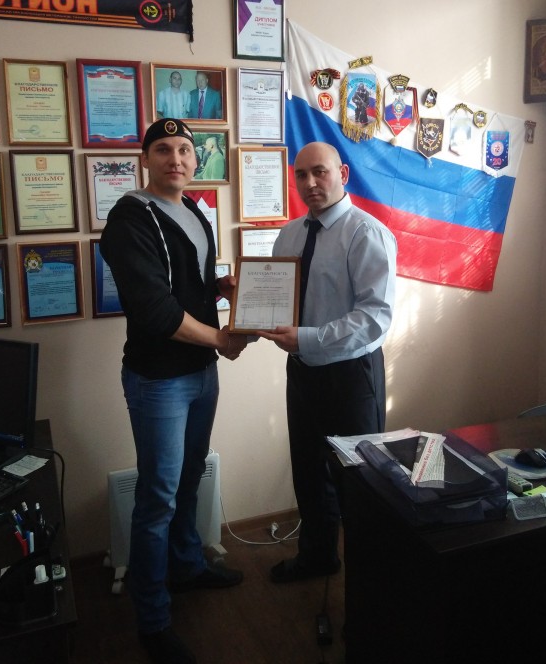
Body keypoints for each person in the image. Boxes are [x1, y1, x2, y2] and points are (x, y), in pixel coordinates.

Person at [100, 118, 247, 664]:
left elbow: (187, 286)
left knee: (187, 479)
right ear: (146, 159)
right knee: (158, 497)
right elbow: (156, 309)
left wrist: (224, 287)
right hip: (159, 379)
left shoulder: (194, 211)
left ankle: (186, 566)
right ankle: (153, 619)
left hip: (200, 372)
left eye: (185, 149)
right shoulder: (129, 219)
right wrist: (222, 339)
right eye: (163, 149)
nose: (176, 159)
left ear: (195, 159)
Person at [258, 141, 397, 584]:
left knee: (358, 481)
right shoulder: (289, 234)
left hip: (350, 377)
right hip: (302, 371)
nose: (310, 183)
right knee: (308, 471)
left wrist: (309, 338)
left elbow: (375, 318)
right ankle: (317, 558)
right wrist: (248, 304)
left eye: (320, 172)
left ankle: (369, 584)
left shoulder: (366, 233)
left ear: (343, 174)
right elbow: (277, 296)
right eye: (301, 175)